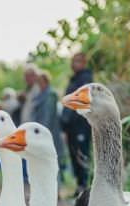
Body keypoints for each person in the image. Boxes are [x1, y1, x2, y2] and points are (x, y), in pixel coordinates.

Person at [61, 52, 93, 196]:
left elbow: (81, 104)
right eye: (73, 61)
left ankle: (84, 188)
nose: (74, 64)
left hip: (81, 125)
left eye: (78, 61)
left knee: (82, 155)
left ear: (84, 63)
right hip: (71, 128)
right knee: (74, 156)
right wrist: (65, 126)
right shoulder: (73, 80)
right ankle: (79, 187)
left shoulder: (85, 80)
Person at [33, 71, 65, 180]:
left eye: (41, 82)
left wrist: (40, 133)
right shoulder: (40, 95)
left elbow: (48, 116)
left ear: (46, 82)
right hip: (43, 133)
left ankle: (57, 191)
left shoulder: (50, 94)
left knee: (52, 161)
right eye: (38, 82)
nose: (39, 84)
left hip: (49, 134)